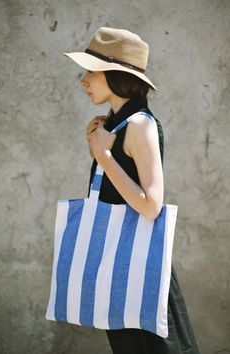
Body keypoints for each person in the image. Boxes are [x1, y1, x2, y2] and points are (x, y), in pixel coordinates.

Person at [64, 27, 200, 354]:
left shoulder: (140, 125)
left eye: (90, 72)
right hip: (120, 267)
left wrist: (103, 156)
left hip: (138, 269)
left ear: (114, 75)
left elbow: (151, 206)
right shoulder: (115, 123)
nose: (83, 79)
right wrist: (100, 152)